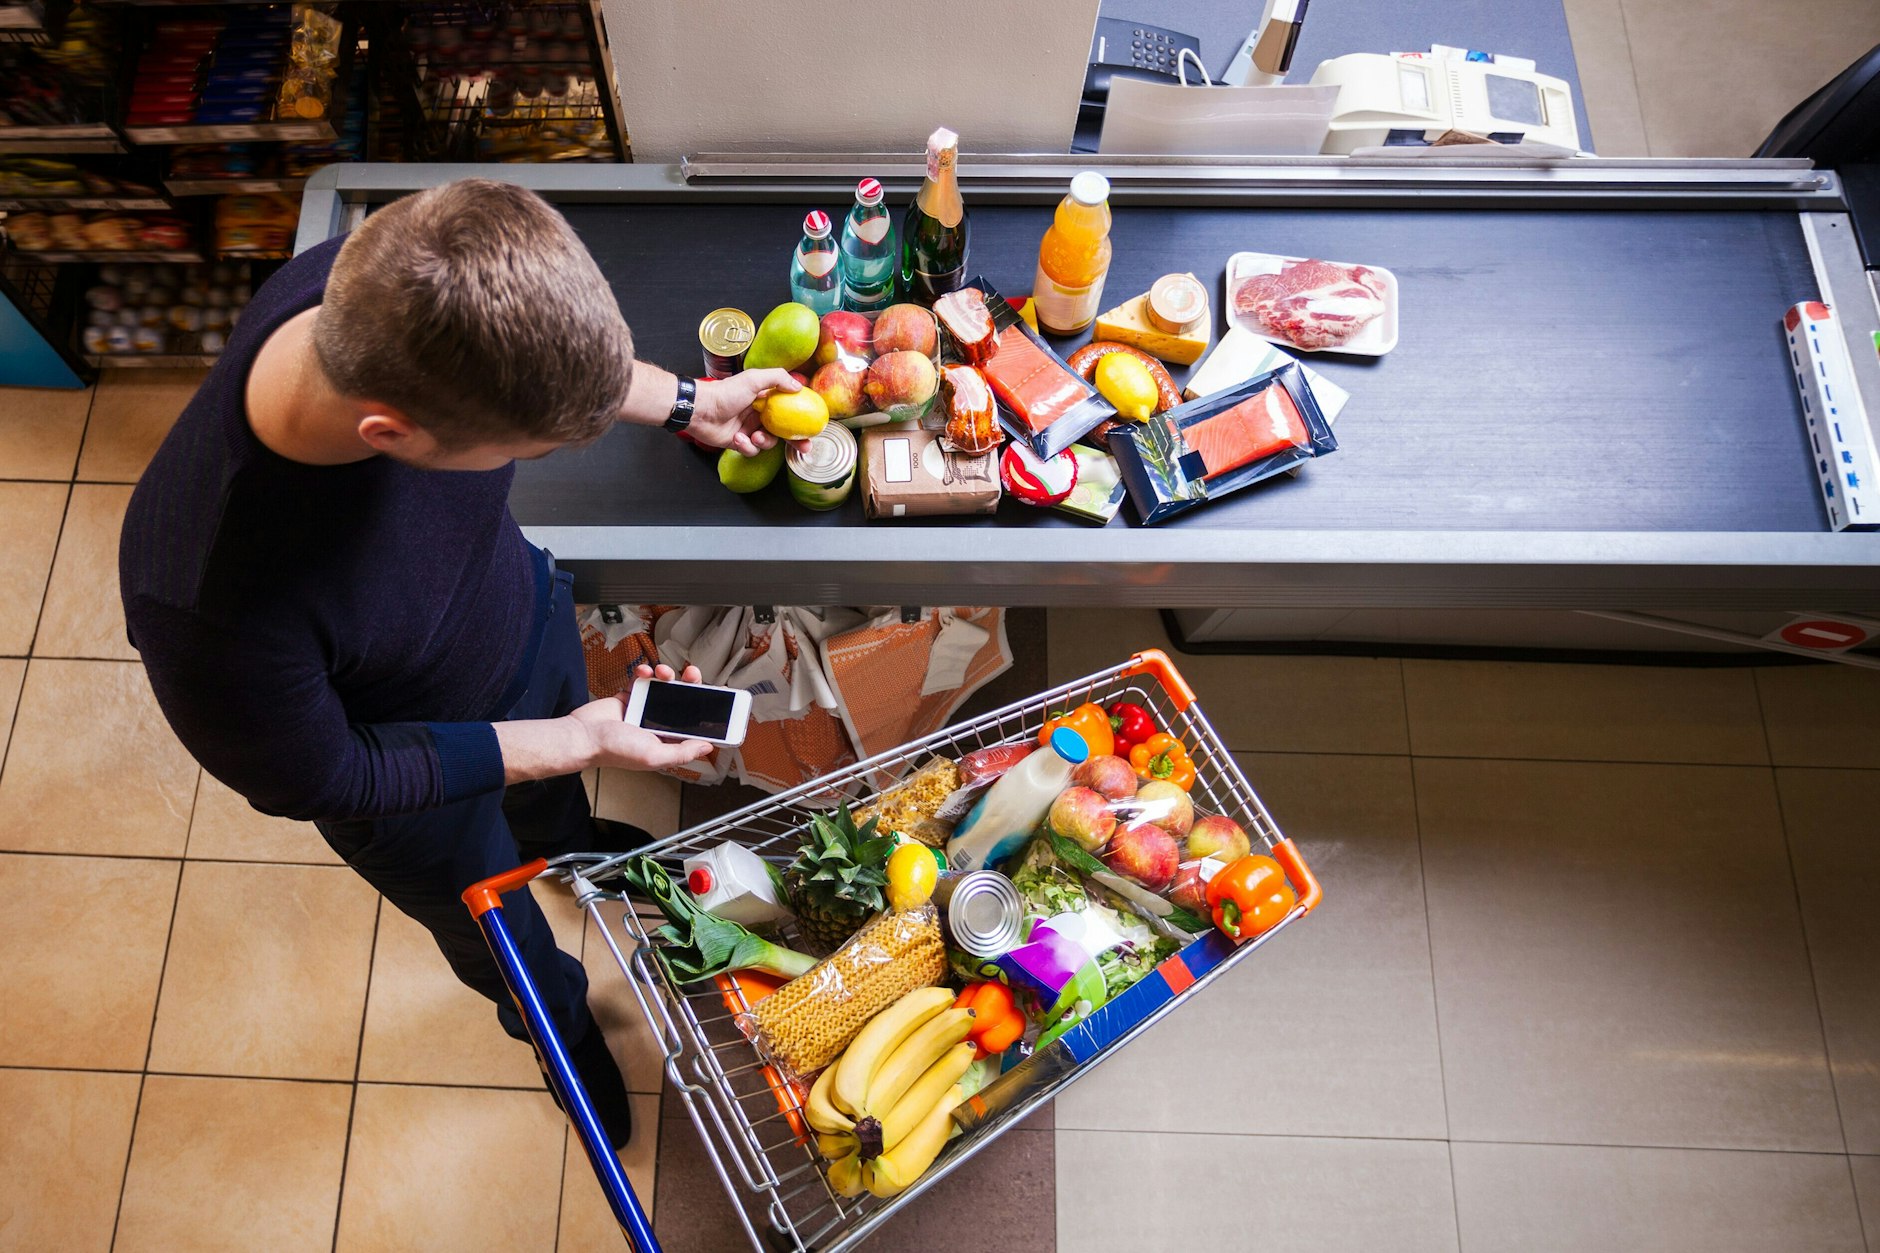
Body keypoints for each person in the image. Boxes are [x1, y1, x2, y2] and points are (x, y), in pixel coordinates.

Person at [118, 178, 797, 1148]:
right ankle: (554, 1026)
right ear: (390, 436)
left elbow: (562, 370)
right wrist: (565, 737)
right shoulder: (210, 601)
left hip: (516, 620)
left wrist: (690, 401)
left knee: (554, 809)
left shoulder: (379, 282)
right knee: (500, 933)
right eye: (528, 450)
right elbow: (331, 774)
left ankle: (566, 843)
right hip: (414, 785)